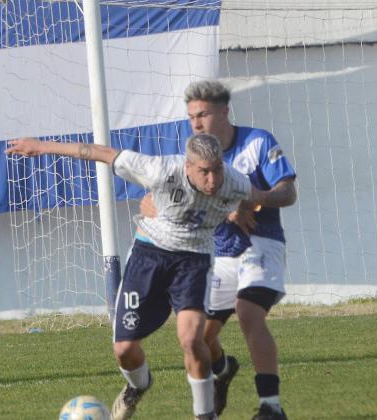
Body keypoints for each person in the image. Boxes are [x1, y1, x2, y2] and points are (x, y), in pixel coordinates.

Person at [6, 134, 260, 420]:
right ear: (187, 166)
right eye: (204, 171)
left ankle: (205, 415)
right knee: (124, 349)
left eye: (217, 169)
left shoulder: (235, 182)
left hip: (193, 261)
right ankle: (138, 386)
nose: (213, 179)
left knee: (191, 338)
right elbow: (100, 152)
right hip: (148, 257)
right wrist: (41, 147)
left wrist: (243, 207)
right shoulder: (159, 170)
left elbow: (264, 197)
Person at [141, 80, 296, 419]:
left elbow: (288, 192)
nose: (196, 123)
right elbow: (148, 201)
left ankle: (271, 406)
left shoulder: (257, 141)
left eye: (203, 114)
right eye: (191, 116)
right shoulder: (190, 158)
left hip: (262, 244)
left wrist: (253, 200)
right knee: (198, 339)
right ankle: (223, 370)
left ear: (224, 111)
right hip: (218, 255)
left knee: (248, 311)